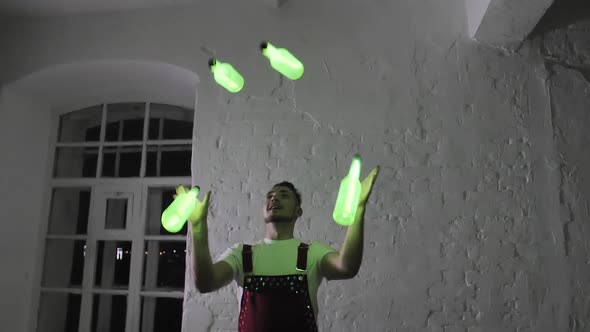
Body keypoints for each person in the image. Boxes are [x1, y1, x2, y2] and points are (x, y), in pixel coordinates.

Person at [176, 166, 379, 332]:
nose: (274, 198)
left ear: (298, 211)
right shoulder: (241, 253)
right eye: (270, 195)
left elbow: (347, 268)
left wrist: (358, 209)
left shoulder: (312, 253)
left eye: (284, 195)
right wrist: (198, 227)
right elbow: (205, 283)